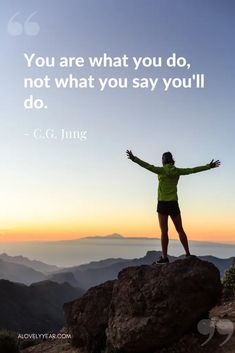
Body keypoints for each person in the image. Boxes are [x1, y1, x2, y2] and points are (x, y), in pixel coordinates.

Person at [126, 150, 220, 264]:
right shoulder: (177, 171)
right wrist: (208, 166)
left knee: (164, 231)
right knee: (180, 230)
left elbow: (146, 166)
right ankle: (188, 253)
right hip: (173, 203)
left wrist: (134, 158)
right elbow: (192, 170)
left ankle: (164, 257)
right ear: (172, 160)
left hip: (162, 204)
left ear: (163, 161)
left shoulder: (160, 170)